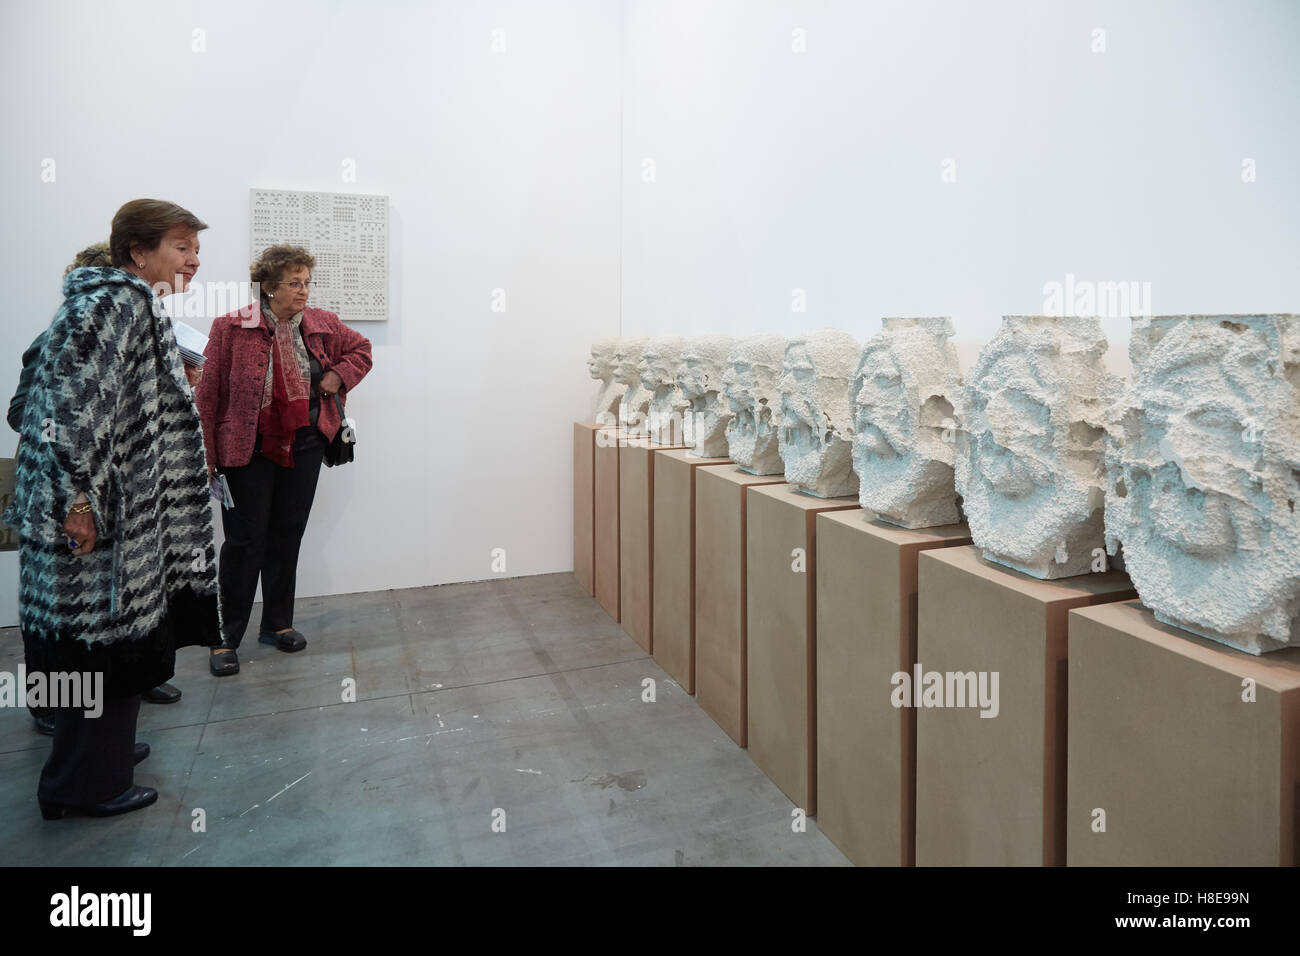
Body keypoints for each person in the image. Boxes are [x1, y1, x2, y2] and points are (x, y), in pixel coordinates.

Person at [3, 200, 221, 819]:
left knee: (101, 645)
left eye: (195, 248)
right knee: (99, 646)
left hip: (115, 514)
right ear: (137, 252)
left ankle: (100, 760)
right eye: (182, 246)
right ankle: (85, 786)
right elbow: (72, 415)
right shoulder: (112, 304)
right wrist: (80, 501)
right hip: (99, 520)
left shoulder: (127, 304)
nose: (195, 259)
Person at [8, 243, 186, 739]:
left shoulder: (138, 334)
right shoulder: (64, 336)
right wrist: (86, 447)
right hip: (66, 495)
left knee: (116, 606)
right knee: (62, 609)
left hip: (114, 493)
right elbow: (24, 412)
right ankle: (51, 706)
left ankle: (133, 684)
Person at [196, 245, 372, 677]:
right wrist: (207, 455)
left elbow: (362, 350)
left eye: (307, 282)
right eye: (294, 282)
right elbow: (209, 394)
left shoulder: (322, 324)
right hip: (246, 450)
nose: (304, 290)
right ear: (269, 287)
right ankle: (225, 637)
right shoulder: (231, 327)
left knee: (287, 535)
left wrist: (337, 375)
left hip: (307, 444)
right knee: (243, 544)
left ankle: (277, 623)